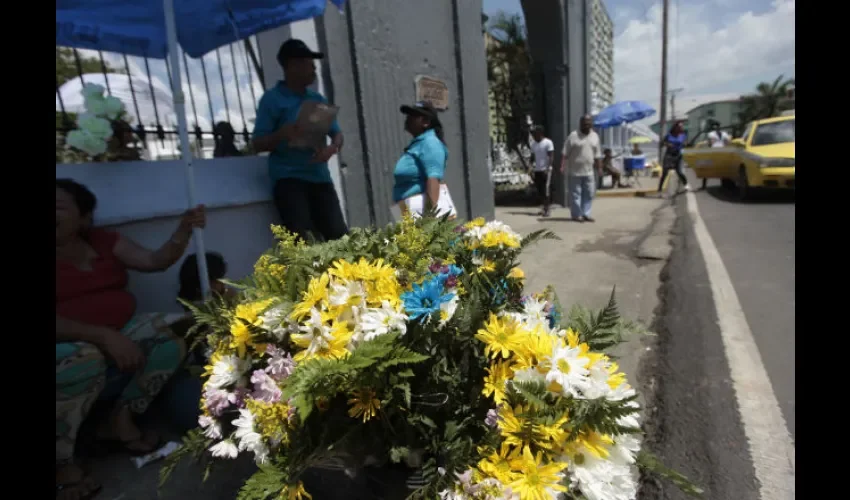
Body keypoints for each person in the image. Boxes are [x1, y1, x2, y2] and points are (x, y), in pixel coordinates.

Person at [56, 179, 205, 499]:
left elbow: (154, 261)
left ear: (83, 217)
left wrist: (184, 229)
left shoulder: (103, 242)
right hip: (68, 344)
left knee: (183, 325)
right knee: (86, 357)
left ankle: (119, 421)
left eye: (58, 206)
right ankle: (62, 463)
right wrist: (103, 336)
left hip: (117, 333)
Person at [252, 38, 347, 242]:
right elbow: (257, 143)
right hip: (290, 181)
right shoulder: (272, 99)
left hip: (320, 179)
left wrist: (332, 148)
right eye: (308, 64)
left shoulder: (317, 99)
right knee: (303, 242)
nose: (314, 69)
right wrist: (280, 134)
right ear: (292, 66)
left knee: (340, 238)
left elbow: (337, 134)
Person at [392, 101, 456, 219]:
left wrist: (430, 218)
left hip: (421, 212)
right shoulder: (418, 144)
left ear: (426, 122)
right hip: (406, 208)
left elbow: (433, 179)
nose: (408, 118)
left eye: (413, 116)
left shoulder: (430, 143)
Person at [561, 114, 602, 223]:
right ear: (580, 124)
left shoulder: (595, 136)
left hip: (589, 171)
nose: (587, 125)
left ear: (591, 124)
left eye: (589, 123)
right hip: (574, 171)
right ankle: (577, 215)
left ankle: (586, 214)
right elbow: (565, 153)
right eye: (584, 123)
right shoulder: (573, 136)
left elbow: (597, 154)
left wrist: (600, 168)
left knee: (589, 193)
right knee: (575, 194)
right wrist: (562, 166)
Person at [529, 125, 555, 217]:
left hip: (546, 170)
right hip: (537, 170)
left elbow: (551, 155)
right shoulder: (533, 144)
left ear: (540, 133)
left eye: (535, 133)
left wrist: (549, 167)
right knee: (540, 190)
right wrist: (530, 167)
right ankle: (544, 207)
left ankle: (547, 209)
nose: (533, 136)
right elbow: (532, 157)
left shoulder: (548, 142)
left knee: (546, 190)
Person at [658, 121, 690, 194]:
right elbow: (661, 143)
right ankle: (659, 190)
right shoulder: (669, 135)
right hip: (669, 155)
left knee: (679, 172)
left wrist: (685, 144)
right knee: (665, 173)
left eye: (682, 126)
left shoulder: (683, 135)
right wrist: (667, 144)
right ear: (675, 127)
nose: (681, 128)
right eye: (679, 126)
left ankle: (686, 185)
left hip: (678, 155)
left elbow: (686, 143)